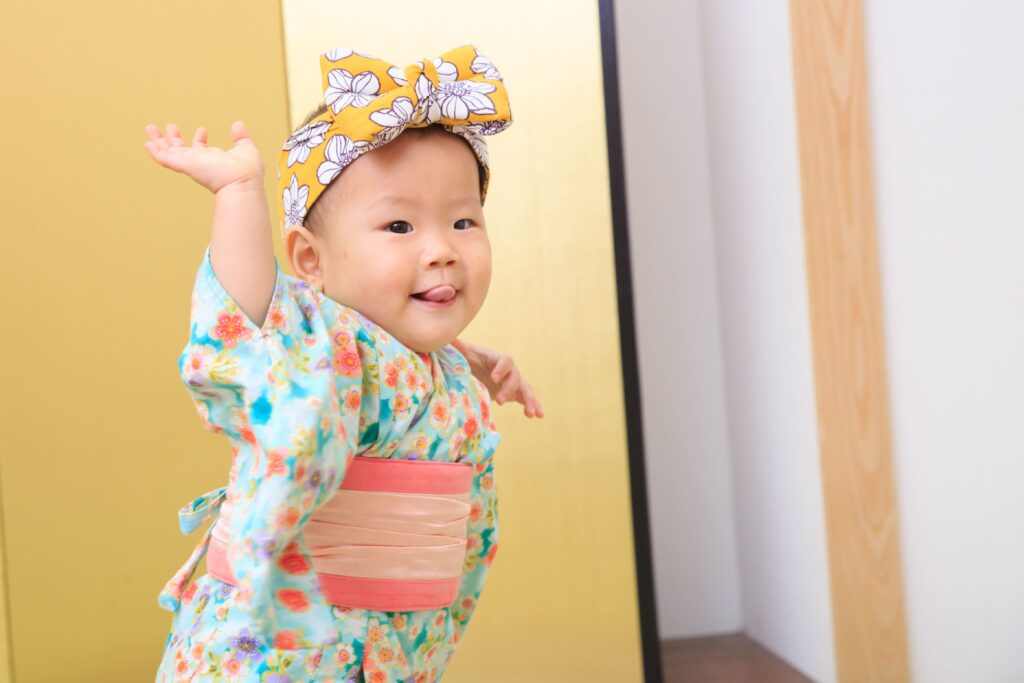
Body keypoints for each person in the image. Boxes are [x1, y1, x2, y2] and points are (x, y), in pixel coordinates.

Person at [143, 45, 542, 682]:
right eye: (399, 227)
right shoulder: (320, 343)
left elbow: (414, 371)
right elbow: (250, 320)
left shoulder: (433, 363)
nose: (442, 250)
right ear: (311, 260)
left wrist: (476, 362)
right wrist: (239, 194)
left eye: (464, 221)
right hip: (276, 653)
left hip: (391, 643)